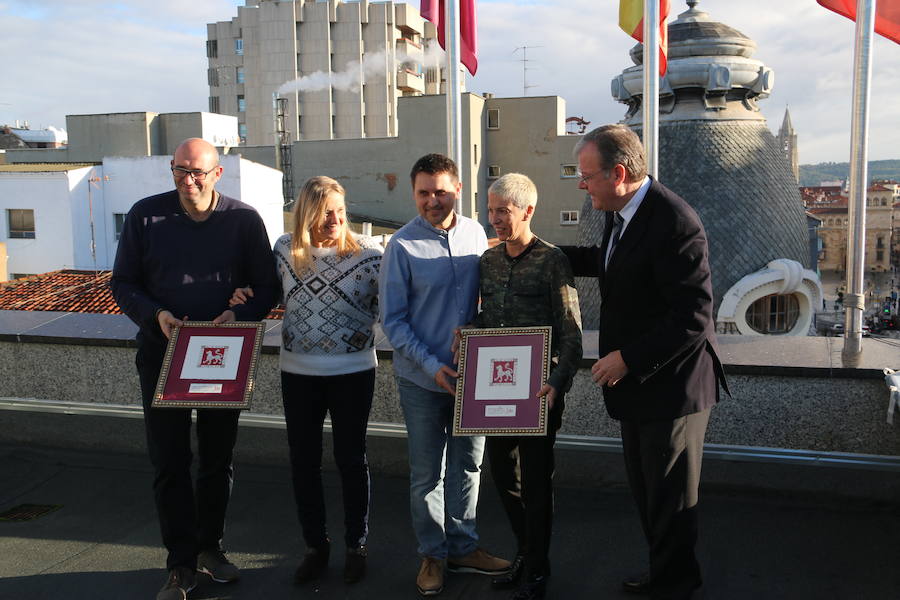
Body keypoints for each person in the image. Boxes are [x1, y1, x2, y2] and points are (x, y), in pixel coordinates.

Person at [559, 125, 728, 600]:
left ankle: (675, 585)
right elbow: (612, 261)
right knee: (651, 494)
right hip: (639, 386)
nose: (580, 184)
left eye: (586, 175)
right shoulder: (624, 211)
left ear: (618, 173)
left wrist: (627, 359)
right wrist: (543, 252)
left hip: (670, 387)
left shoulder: (674, 219)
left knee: (671, 498)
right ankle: (664, 576)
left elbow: (694, 317)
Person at [111, 138, 279, 600]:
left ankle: (211, 549)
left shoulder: (243, 221)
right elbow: (121, 282)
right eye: (179, 170)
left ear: (217, 174)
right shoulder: (145, 215)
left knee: (217, 459)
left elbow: (268, 287)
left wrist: (241, 314)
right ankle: (179, 564)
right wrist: (155, 315)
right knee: (169, 461)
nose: (188, 180)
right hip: (162, 353)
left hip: (223, 353)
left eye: (197, 172)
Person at [230, 176, 382, 585]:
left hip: (353, 372)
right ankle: (316, 546)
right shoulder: (284, 250)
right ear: (307, 214)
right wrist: (244, 298)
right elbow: (268, 294)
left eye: (340, 212)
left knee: (352, 460)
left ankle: (357, 545)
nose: (334, 220)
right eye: (325, 212)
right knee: (303, 463)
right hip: (298, 374)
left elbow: (393, 308)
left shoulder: (370, 254)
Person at [379, 153, 510, 596]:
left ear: (457, 189)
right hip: (423, 379)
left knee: (469, 465)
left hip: (473, 380)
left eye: (440, 191)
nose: (432, 200)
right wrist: (434, 367)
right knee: (426, 475)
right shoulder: (400, 246)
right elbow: (393, 322)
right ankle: (432, 554)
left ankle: (464, 546)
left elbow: (486, 300)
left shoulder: (477, 233)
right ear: (413, 194)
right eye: (423, 192)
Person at [471, 173, 582, 600]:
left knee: (536, 482)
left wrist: (558, 382)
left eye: (504, 211)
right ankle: (525, 552)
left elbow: (571, 330)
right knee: (502, 475)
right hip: (497, 390)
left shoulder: (553, 260)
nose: (495, 219)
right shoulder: (489, 260)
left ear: (527, 211)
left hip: (539, 391)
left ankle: (537, 568)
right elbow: (488, 321)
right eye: (492, 210)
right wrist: (469, 332)